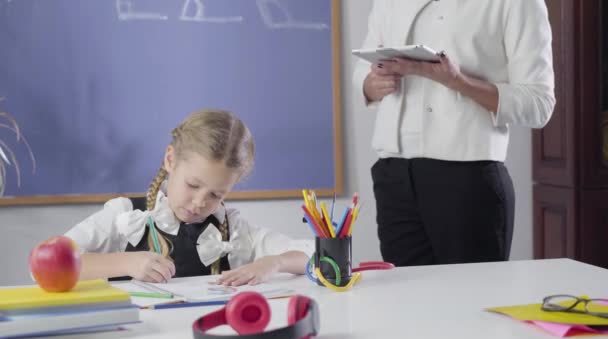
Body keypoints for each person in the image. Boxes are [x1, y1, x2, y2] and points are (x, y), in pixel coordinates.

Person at [353, 0, 555, 266]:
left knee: (472, 301)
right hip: (394, 176)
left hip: (467, 179)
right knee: (404, 303)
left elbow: (539, 104)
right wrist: (370, 84)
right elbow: (363, 71)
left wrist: (456, 82)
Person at [65, 110, 312, 285]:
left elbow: (318, 256)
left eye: (216, 194)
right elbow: (47, 265)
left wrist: (275, 263)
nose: (199, 203)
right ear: (170, 160)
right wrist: (125, 263)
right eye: (193, 184)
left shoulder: (233, 231)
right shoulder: (125, 216)